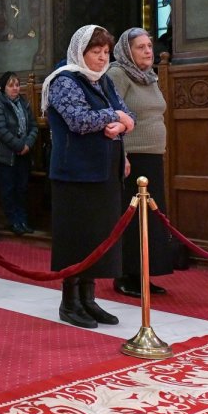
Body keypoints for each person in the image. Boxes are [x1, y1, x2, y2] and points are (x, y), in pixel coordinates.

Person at [41, 25, 135, 329]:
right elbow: (79, 120)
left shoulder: (104, 81)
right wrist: (114, 118)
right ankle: (70, 303)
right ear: (80, 53)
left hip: (105, 172)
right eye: (96, 52)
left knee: (98, 237)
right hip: (75, 174)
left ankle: (89, 300)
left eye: (106, 52)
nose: (102, 58)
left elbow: (129, 114)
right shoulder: (63, 81)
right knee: (76, 239)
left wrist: (121, 124)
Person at [106, 28, 172, 297]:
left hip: (153, 157)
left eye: (149, 46)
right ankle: (124, 275)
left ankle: (144, 274)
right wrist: (120, 155)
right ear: (126, 50)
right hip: (131, 158)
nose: (148, 51)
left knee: (151, 220)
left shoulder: (150, 76)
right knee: (131, 219)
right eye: (141, 47)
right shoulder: (117, 74)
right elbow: (111, 114)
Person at [0, 71, 38, 235]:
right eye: (11, 85)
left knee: (22, 188)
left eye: (17, 85)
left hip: (24, 154)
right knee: (9, 189)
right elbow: (0, 129)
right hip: (6, 155)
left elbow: (34, 126)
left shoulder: (24, 103)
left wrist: (28, 144)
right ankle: (13, 221)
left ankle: (23, 221)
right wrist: (19, 146)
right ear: (4, 88)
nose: (15, 88)